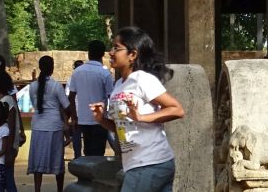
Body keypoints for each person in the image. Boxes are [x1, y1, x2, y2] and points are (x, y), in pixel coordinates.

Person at [91, 27, 184, 192]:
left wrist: (141, 117)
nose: (111, 52)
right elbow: (122, 128)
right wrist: (101, 120)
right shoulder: (119, 85)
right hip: (138, 163)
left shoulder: (142, 80)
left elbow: (176, 109)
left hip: (149, 162)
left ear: (132, 55)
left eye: (117, 48)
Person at [25, 57, 69, 192]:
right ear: (52, 68)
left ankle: (37, 189)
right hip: (54, 125)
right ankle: (59, 189)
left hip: (38, 125)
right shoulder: (56, 86)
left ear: (39, 67)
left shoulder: (32, 86)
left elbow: (34, 104)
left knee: (38, 160)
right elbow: (66, 106)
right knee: (57, 160)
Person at [67, 42, 112, 158]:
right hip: (100, 120)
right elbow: (111, 97)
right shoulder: (105, 73)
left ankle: (87, 176)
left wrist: (74, 117)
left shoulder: (77, 72)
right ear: (102, 54)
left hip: (82, 120)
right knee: (98, 153)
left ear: (88, 53)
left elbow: (71, 97)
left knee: (87, 151)